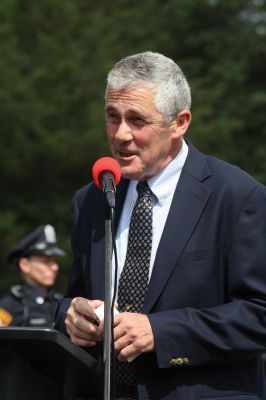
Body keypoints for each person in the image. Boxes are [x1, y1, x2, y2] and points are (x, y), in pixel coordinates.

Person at [54, 52, 266, 400]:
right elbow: (68, 298)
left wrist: (162, 332)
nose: (121, 134)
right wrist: (71, 315)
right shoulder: (92, 199)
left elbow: (260, 313)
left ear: (179, 123)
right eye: (112, 117)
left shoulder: (238, 197)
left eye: (136, 120)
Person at [0, 224, 65, 328]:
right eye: (46, 261)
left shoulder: (61, 303)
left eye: (54, 261)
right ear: (25, 265)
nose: (55, 267)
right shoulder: (9, 307)